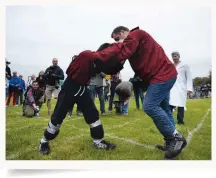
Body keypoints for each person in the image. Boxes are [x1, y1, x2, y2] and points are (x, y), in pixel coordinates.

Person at [93, 26, 187, 159]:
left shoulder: (135, 34)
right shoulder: (133, 47)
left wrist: (101, 55)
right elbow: (125, 65)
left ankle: (176, 138)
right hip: (163, 75)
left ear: (122, 32)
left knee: (150, 106)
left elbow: (122, 51)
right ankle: (171, 141)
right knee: (164, 109)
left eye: (117, 38)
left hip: (162, 75)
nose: (117, 42)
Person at [39, 44, 118, 155]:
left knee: (93, 115)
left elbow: (110, 70)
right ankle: (44, 141)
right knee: (57, 118)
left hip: (82, 89)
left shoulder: (99, 63)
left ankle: (98, 141)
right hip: (69, 89)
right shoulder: (87, 55)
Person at [169, 52, 193, 125]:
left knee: (181, 104)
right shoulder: (171, 66)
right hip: (173, 87)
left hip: (182, 87)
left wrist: (189, 88)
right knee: (170, 104)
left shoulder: (185, 65)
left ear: (179, 56)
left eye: (175, 56)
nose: (174, 58)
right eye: (173, 57)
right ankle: (168, 119)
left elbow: (189, 77)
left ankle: (180, 121)